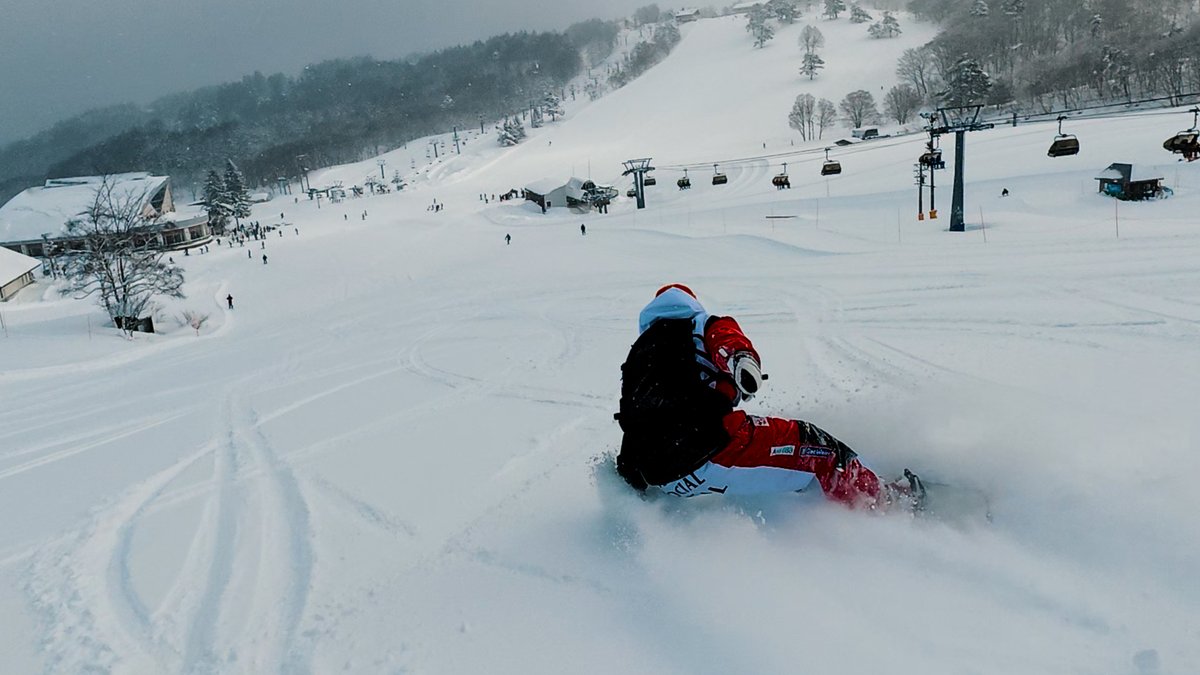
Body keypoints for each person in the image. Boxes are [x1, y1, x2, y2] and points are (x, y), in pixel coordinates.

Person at [615, 284, 909, 509]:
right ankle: (888, 502)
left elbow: (639, 418)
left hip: (666, 478)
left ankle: (814, 511)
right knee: (820, 448)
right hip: (710, 445)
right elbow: (726, 340)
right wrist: (742, 361)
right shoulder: (699, 325)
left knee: (787, 468)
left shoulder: (640, 356)